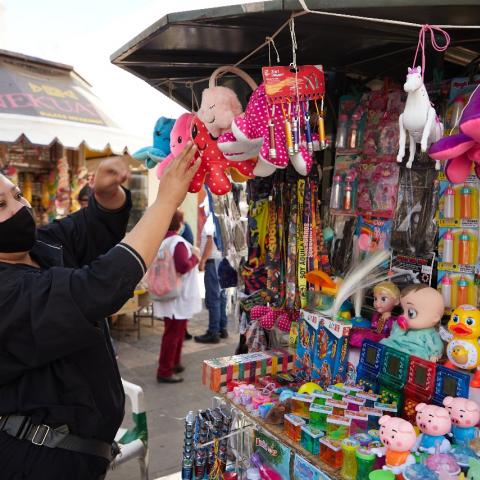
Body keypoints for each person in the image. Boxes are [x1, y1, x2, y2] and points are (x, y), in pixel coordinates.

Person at [0, 143, 199, 479]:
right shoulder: (6, 291)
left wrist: (106, 195)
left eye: (16, 194)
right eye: (2, 205)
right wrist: (165, 202)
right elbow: (97, 288)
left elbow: (89, 227)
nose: (20, 206)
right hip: (39, 459)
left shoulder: (37, 246)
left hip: (82, 453)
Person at [154, 210, 201, 383]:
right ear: (179, 224)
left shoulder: (163, 241)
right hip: (177, 295)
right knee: (173, 333)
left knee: (176, 330)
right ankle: (165, 370)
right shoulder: (178, 242)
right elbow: (183, 266)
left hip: (168, 292)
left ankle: (174, 362)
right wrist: (195, 258)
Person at [194, 206, 228, 344]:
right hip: (222, 261)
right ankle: (222, 328)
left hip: (213, 262)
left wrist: (202, 260)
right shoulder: (222, 217)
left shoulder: (212, 219)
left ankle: (213, 332)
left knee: (213, 298)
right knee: (221, 296)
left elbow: (210, 240)